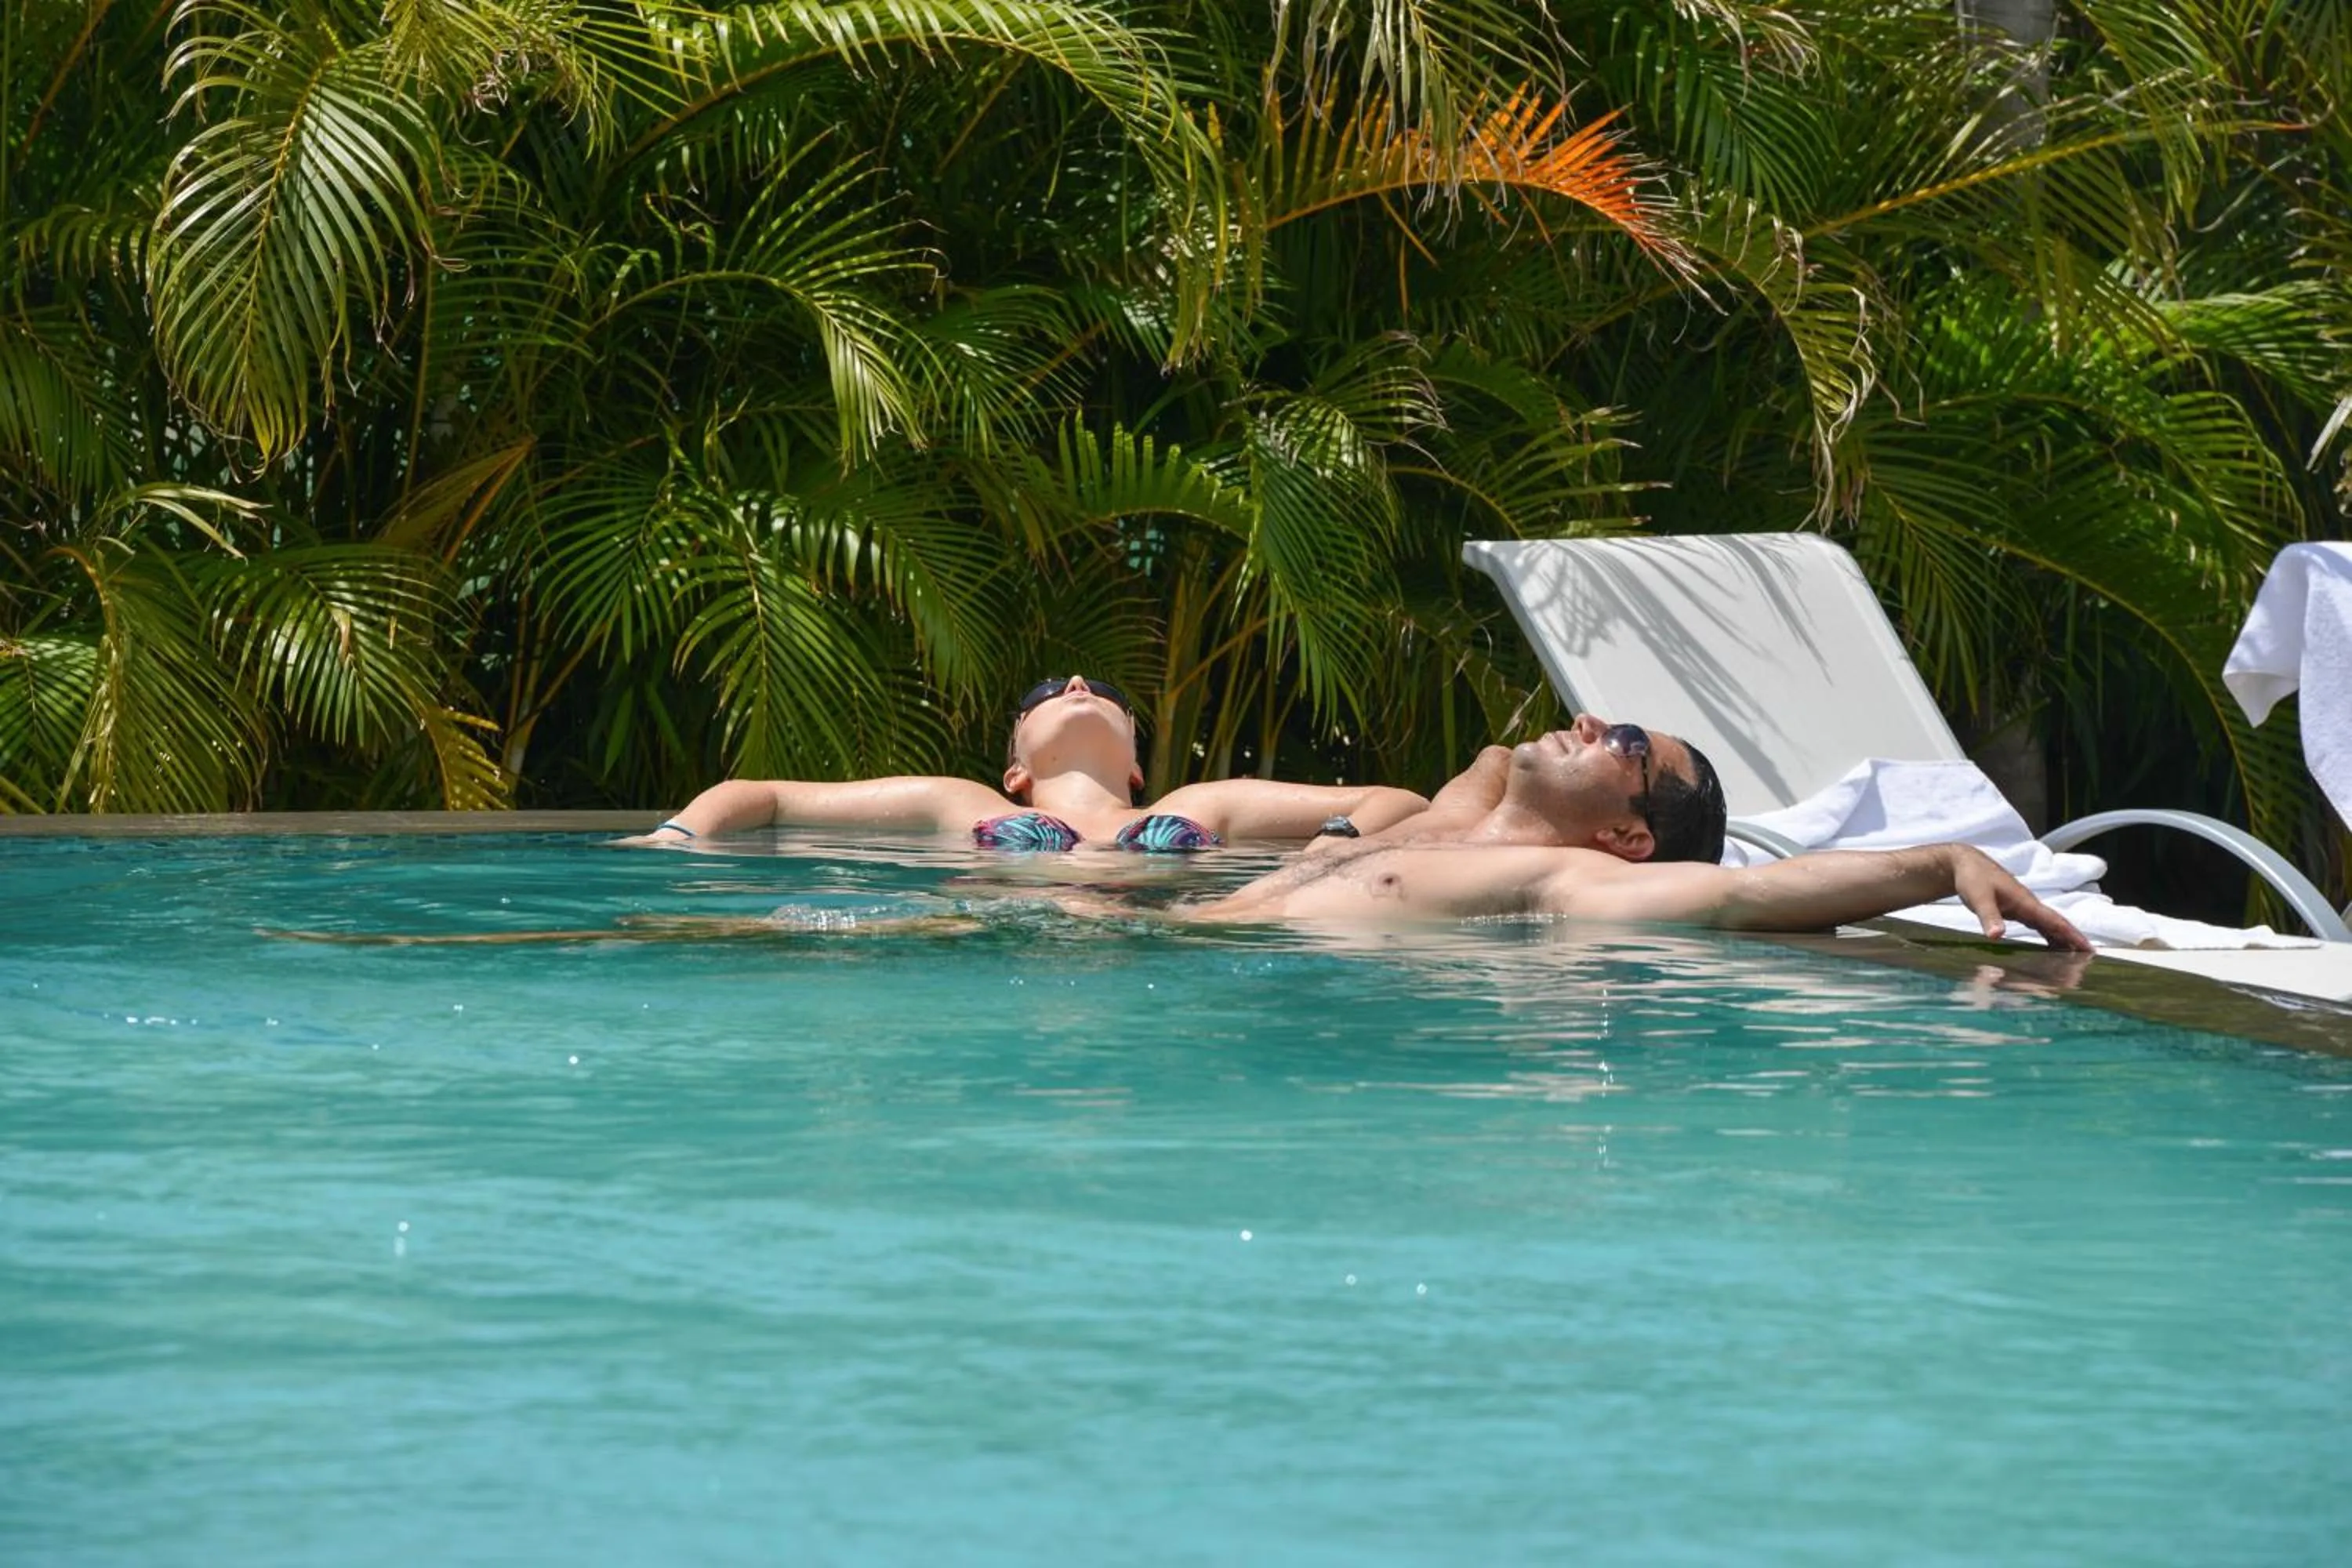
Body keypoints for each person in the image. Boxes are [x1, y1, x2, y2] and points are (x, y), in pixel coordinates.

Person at [1178, 713, 2092, 949]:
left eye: (1623, 743)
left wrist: (1942, 859)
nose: (1588, 721)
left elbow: (1743, 894)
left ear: (1629, 835)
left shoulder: (1567, 883)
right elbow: (1495, 756)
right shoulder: (1445, 824)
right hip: (1149, 939)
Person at [615, 674, 1431, 851]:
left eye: (1101, 689)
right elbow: (761, 793)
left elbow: (1398, 798)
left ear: (1139, 767)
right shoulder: (957, 799)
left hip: (1184, 943)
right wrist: (676, 838)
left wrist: (1334, 842)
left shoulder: (1204, 802)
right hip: (988, 939)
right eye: (1050, 690)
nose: (1078, 683)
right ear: (1016, 774)